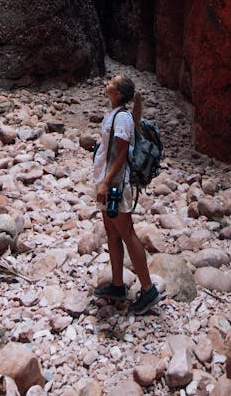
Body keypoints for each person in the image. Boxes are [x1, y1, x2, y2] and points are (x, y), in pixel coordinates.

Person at [92, 73, 159, 314]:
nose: (107, 82)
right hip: (108, 182)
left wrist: (105, 183)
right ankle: (118, 285)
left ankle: (148, 289)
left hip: (116, 185)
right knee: (111, 232)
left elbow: (121, 154)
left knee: (127, 233)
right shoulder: (115, 114)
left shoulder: (122, 119)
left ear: (118, 93)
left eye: (112, 81)